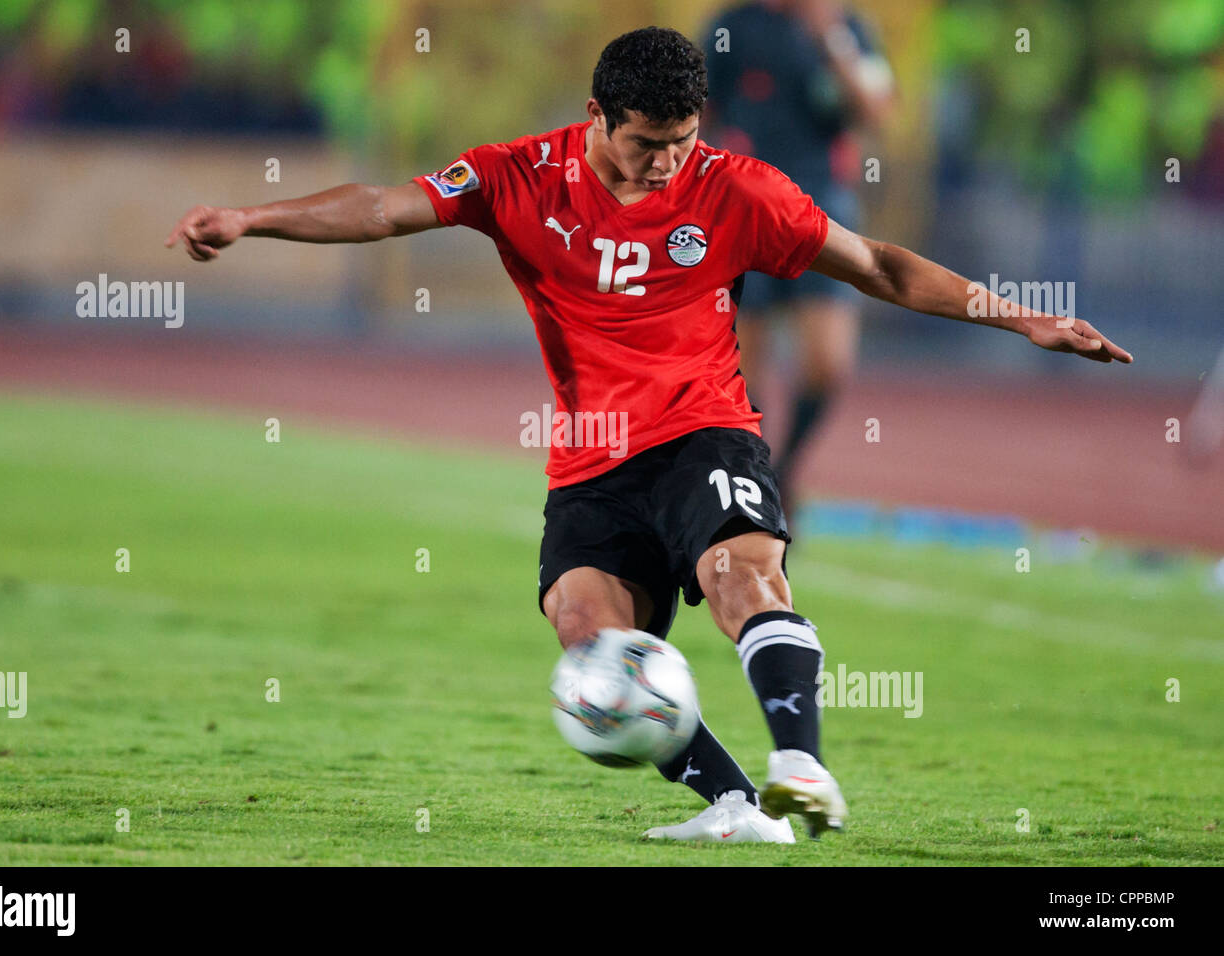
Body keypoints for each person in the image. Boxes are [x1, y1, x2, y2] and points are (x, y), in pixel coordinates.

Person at [165, 27, 1131, 845]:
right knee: (590, 644)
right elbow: (381, 207)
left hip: (704, 431)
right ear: (596, 114)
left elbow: (875, 263)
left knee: (738, 578)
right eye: (642, 143)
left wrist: (1024, 319)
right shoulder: (516, 176)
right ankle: (738, 808)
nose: (663, 162)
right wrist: (253, 218)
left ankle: (803, 766)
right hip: (590, 460)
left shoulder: (737, 190)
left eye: (679, 140)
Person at [704, 0, 896, 528]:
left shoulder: (846, 25)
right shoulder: (732, 27)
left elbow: (876, 111)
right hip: (745, 207)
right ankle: (760, 485)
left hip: (823, 208)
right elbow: (698, 112)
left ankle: (784, 470)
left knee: (828, 362)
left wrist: (830, 38)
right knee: (745, 370)